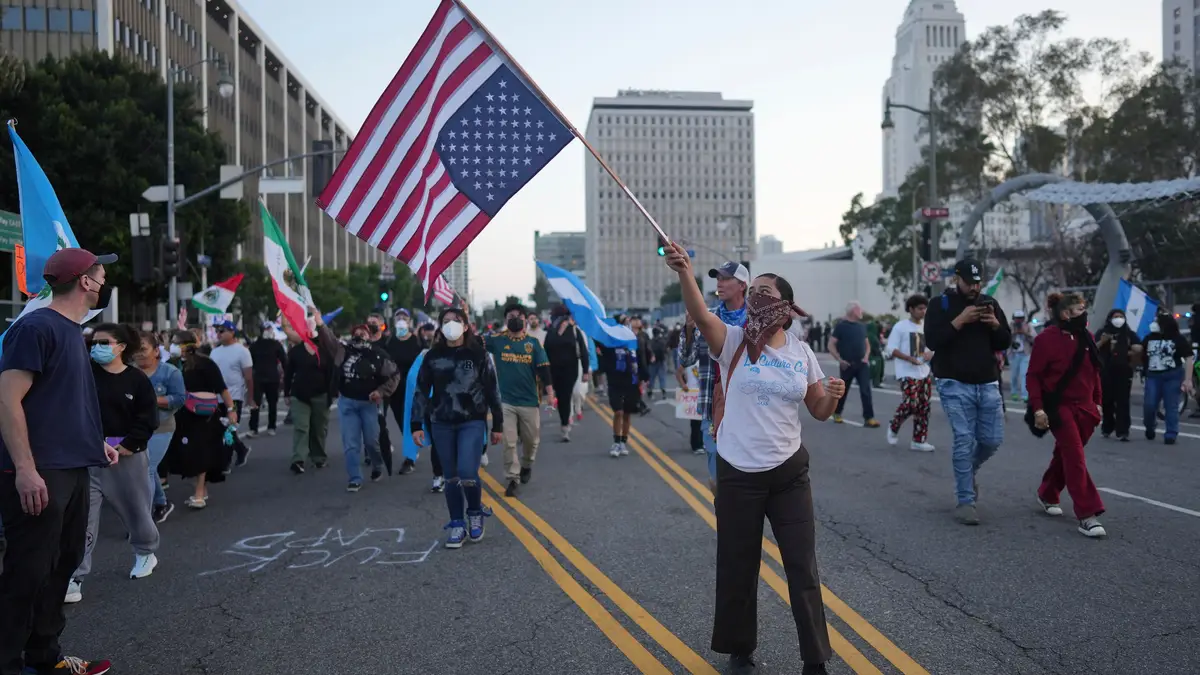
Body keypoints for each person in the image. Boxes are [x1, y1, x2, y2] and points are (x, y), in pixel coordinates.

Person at [664, 242, 841, 675]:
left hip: (789, 474)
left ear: (785, 305)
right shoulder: (735, 340)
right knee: (738, 566)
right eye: (753, 289)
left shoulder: (801, 353)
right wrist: (684, 272)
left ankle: (815, 660)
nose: (756, 297)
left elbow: (818, 411)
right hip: (739, 473)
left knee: (802, 567)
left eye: (765, 291)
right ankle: (739, 649)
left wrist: (833, 398)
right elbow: (703, 317)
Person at [0, 247, 118, 675]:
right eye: (100, 272)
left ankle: (45, 658)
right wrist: (26, 469)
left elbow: (63, 402)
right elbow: (8, 401)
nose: (105, 278)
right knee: (28, 571)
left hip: (73, 466)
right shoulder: (35, 328)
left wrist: (95, 441)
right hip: (39, 471)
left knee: (63, 563)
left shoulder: (73, 331)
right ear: (85, 281)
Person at [68, 323, 161, 604]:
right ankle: (75, 575)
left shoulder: (136, 380)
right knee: (84, 516)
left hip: (127, 455)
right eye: (94, 342)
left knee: (136, 510)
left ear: (122, 347)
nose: (97, 347)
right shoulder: (86, 375)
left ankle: (145, 552)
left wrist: (128, 445)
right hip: (90, 454)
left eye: (104, 342)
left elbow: (148, 418)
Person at [924, 259, 1012, 525]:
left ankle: (967, 470)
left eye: (977, 282)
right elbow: (933, 341)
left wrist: (995, 324)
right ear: (956, 280)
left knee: (992, 439)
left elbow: (1005, 341)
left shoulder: (990, 303)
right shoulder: (941, 305)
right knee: (963, 438)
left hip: (986, 381)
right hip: (952, 381)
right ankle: (965, 501)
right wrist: (959, 321)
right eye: (969, 282)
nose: (974, 287)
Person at [412, 308, 504, 548]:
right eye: (445, 321)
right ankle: (456, 523)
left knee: (467, 472)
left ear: (465, 326)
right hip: (441, 421)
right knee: (451, 476)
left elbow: (492, 389)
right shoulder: (432, 356)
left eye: (456, 321)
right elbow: (421, 390)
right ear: (440, 327)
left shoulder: (479, 354)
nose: (450, 325)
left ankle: (474, 512)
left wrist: (498, 424)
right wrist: (416, 424)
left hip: (471, 420)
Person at [1027, 292, 1107, 537]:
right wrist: (1039, 408)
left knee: (1067, 455)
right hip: (1060, 408)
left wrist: (1098, 402)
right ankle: (1087, 514)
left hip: (1086, 408)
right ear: (1065, 313)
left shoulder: (1087, 337)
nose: (1085, 313)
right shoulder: (1045, 340)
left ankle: (1047, 493)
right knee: (1075, 457)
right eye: (1080, 309)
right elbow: (1034, 377)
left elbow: (1094, 373)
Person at [679, 261, 749, 493]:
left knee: (748, 479)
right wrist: (689, 330)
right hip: (713, 409)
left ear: (742, 285)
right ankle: (727, 522)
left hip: (751, 411)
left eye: (725, 278)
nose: (719, 283)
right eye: (717, 278)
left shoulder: (757, 320)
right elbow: (686, 360)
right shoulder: (705, 318)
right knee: (718, 480)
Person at [315, 313, 400, 491]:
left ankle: (377, 465)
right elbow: (329, 339)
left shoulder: (378, 355)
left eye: (364, 333)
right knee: (351, 443)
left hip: (368, 404)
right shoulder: (343, 351)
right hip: (347, 403)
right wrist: (320, 323)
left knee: (371, 442)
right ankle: (355, 478)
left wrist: (380, 392)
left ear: (370, 337)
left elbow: (394, 375)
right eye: (357, 332)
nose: (360, 335)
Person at [165, 330, 237, 510]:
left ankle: (199, 492)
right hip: (179, 415)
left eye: (177, 342)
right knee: (185, 454)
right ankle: (200, 487)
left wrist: (231, 409)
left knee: (200, 452)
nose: (173, 346)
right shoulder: (170, 365)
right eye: (172, 342)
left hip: (203, 415)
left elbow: (222, 389)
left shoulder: (205, 364)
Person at [486, 303, 553, 497]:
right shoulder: (497, 341)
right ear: (506, 321)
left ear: (525, 319)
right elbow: (472, 340)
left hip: (530, 401)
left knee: (531, 442)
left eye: (518, 315)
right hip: (505, 402)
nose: (514, 318)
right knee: (509, 441)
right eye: (510, 316)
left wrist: (550, 393)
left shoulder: (533, 344)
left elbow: (544, 369)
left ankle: (527, 464)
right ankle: (512, 479)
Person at [133, 331, 185, 523]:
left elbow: (180, 399)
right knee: (144, 469)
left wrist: (153, 400)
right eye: (135, 349)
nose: (138, 353)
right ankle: (162, 502)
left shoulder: (170, 372)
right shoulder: (128, 371)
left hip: (161, 427)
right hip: (133, 429)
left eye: (143, 349)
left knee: (145, 468)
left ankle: (142, 518)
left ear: (156, 351)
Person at [281, 317, 336, 474]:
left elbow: (332, 373)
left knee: (319, 429)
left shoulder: (325, 351)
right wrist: (286, 392)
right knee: (301, 427)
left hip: (321, 394)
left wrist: (332, 393)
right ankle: (298, 459)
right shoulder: (296, 351)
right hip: (300, 395)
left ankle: (318, 457)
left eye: (313, 327)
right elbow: (288, 373)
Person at [377, 310, 426, 477]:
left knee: (410, 422)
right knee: (401, 422)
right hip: (394, 390)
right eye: (398, 317)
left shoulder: (418, 342)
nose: (401, 321)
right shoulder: (389, 342)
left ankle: (410, 458)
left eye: (404, 318)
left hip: (413, 390)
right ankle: (412, 446)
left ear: (410, 321)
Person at [885, 294, 936, 452]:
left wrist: (931, 353)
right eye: (920, 308)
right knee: (910, 403)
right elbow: (890, 349)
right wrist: (908, 358)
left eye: (925, 308)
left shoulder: (927, 327)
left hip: (923, 371)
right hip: (906, 372)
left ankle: (919, 440)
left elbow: (933, 346)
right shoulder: (900, 327)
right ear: (911, 309)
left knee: (924, 406)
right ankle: (894, 426)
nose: (923, 311)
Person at [1141, 313, 1195, 445]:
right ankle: (1150, 425)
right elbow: (1141, 353)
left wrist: (1188, 379)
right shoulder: (1149, 338)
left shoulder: (1178, 339)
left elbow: (1189, 357)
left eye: (1157, 321)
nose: (1154, 323)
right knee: (1149, 404)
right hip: (1153, 376)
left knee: (1171, 406)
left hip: (1173, 375)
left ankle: (1171, 433)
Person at [210, 320, 254, 469]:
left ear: (232, 332)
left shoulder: (242, 351)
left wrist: (250, 398)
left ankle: (225, 462)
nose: (219, 334)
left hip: (234, 396)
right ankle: (241, 450)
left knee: (229, 428)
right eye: (217, 331)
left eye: (222, 331)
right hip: (217, 397)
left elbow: (248, 376)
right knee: (219, 428)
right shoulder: (215, 351)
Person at [542, 305, 590, 442]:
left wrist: (585, 371)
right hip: (553, 370)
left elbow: (583, 351)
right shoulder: (550, 332)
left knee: (566, 395)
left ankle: (565, 426)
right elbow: (544, 353)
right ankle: (563, 418)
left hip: (570, 369)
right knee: (559, 396)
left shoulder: (574, 331)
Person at [829, 302, 878, 427]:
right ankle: (837, 413)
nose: (861, 312)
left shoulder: (862, 326)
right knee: (843, 391)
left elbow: (867, 344)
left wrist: (866, 356)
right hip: (847, 364)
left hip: (862, 364)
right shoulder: (841, 326)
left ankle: (869, 418)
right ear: (853, 311)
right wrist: (839, 360)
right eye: (859, 310)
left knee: (866, 390)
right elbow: (831, 345)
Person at [1094, 309, 1139, 442]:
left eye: (1121, 316)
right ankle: (1108, 426)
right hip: (1106, 371)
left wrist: (1130, 351)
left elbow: (1139, 347)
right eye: (1115, 317)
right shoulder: (1102, 333)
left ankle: (1123, 430)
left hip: (1124, 371)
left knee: (1123, 401)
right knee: (1106, 401)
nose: (1118, 319)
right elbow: (1092, 349)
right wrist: (1102, 341)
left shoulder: (1128, 334)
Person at [247, 322, 287, 437]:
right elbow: (249, 362)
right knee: (256, 404)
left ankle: (271, 426)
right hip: (258, 378)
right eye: (267, 329)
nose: (269, 331)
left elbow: (284, 360)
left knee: (272, 404)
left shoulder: (275, 345)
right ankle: (253, 428)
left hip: (272, 377)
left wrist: (286, 375)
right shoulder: (255, 345)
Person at [1008, 310, 1035, 402]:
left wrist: (1025, 333)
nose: (1019, 321)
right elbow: (1005, 339)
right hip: (1014, 354)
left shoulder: (1028, 326)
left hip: (1025, 353)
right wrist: (1014, 333)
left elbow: (1035, 338)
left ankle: (1025, 395)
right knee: (1014, 375)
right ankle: (1014, 393)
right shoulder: (1010, 326)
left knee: (1024, 375)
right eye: (1017, 319)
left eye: (1020, 318)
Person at [647, 325, 669, 399]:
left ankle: (650, 391)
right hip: (661, 361)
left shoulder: (650, 342)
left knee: (652, 378)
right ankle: (663, 392)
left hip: (652, 362)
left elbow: (648, 351)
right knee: (662, 378)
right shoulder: (662, 341)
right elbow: (665, 351)